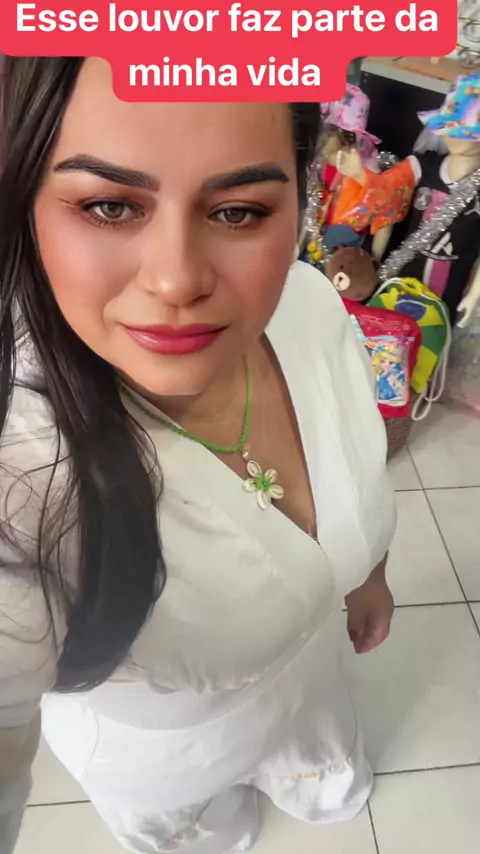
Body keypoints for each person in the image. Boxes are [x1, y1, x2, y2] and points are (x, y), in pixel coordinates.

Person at [0, 57, 396, 854]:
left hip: (309, 688)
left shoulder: (309, 307)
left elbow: (358, 450)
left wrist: (368, 573)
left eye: (239, 211)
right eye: (110, 206)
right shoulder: (23, 467)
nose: (177, 280)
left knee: (322, 772)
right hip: (168, 764)